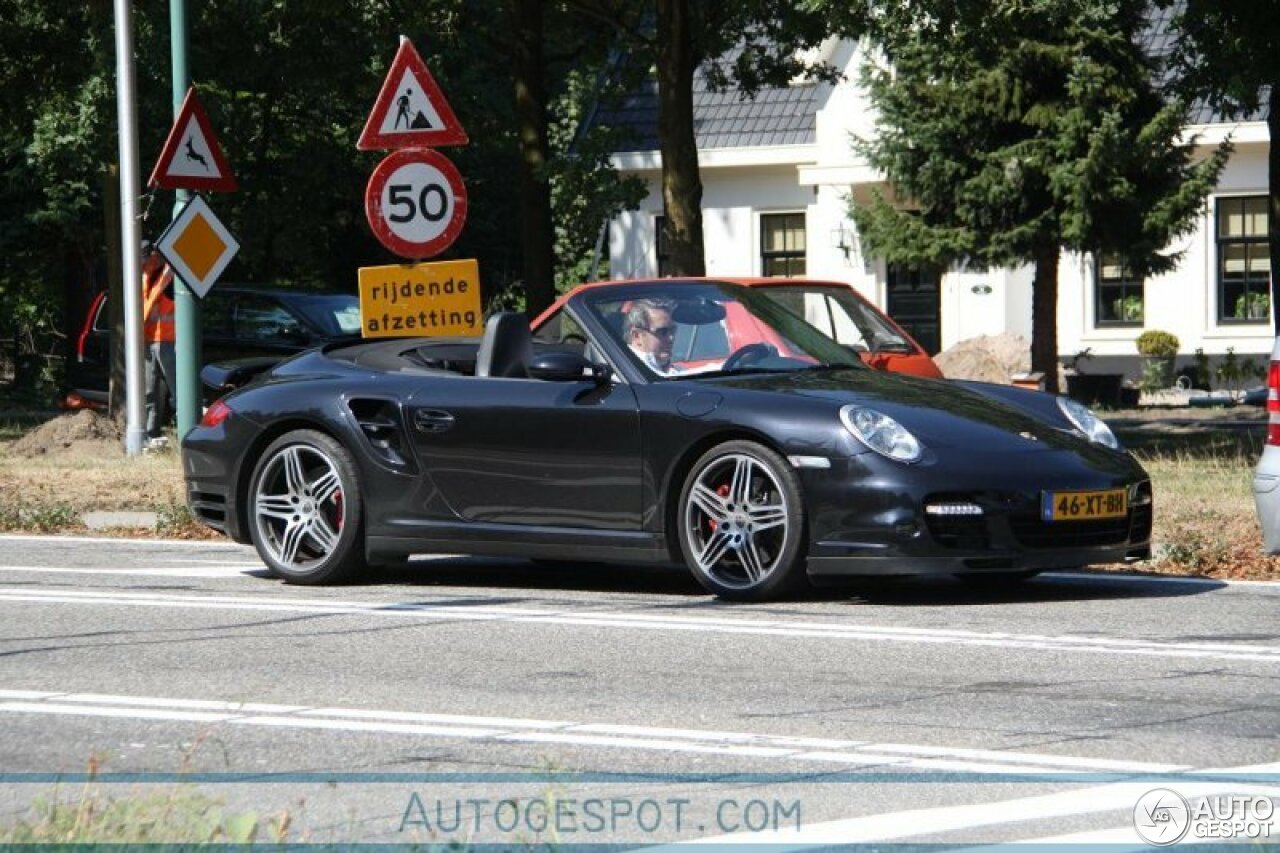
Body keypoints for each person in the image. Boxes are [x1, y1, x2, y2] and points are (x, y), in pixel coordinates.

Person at [141, 243, 176, 447]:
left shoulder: (169, 277)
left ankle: (186, 435)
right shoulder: (146, 277)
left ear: (154, 256)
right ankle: (150, 435)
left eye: (145, 261)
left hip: (168, 341)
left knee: (177, 391)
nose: (143, 266)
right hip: (148, 341)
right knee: (149, 392)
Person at [623, 298, 683, 376]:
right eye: (662, 332)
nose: (671, 338)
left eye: (672, 330)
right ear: (637, 336)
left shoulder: (681, 372)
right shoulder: (625, 375)